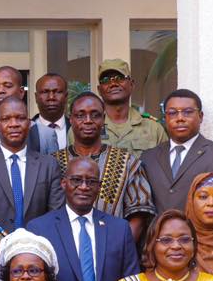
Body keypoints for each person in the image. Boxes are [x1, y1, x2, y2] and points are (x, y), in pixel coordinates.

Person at [52, 91, 156, 240]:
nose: (88, 120)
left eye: (95, 115)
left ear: (104, 119)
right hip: (63, 249)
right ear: (71, 119)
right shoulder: (53, 162)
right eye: (80, 115)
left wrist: (118, 249)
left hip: (113, 247)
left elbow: (139, 214)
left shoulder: (127, 161)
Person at [140, 89, 213, 220]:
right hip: (157, 239)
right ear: (165, 118)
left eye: (188, 112)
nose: (180, 118)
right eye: (172, 113)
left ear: (200, 116)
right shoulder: (149, 157)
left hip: (199, 240)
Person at [0, 95, 64, 231]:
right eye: (6, 119)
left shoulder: (49, 165)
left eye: (20, 118)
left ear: (30, 123)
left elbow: (56, 217)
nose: (14, 124)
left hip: (37, 248)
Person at [95, 58, 166, 152]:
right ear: (99, 90)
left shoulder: (154, 129)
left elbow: (165, 164)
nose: (113, 84)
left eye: (119, 78)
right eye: (105, 80)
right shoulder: (87, 128)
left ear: (131, 84)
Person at [30, 73, 71, 152]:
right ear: (36, 97)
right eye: (45, 92)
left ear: (66, 97)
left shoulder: (76, 129)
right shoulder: (26, 130)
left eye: (57, 92)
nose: (51, 97)